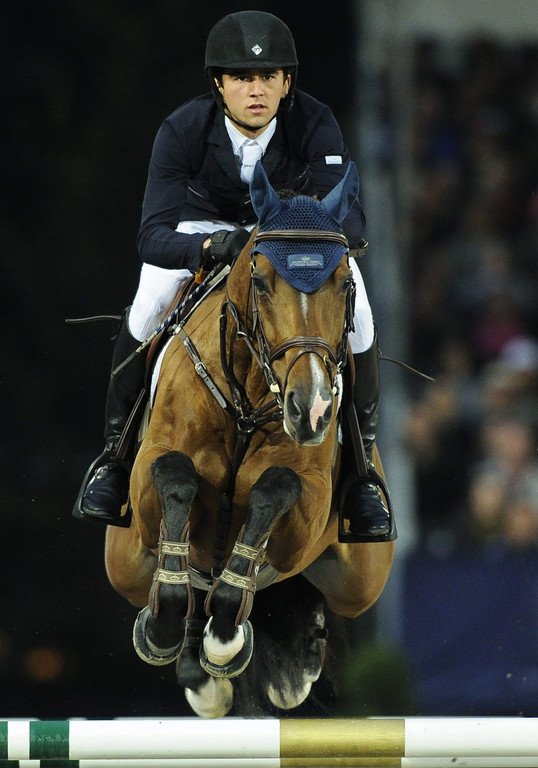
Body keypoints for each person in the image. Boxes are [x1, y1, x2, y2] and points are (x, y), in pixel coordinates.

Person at [74, 10, 392, 540]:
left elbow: (351, 221)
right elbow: (152, 236)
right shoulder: (183, 129)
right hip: (205, 229)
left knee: (360, 318)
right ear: (219, 85)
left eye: (268, 76)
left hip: (289, 236)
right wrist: (208, 246)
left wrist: (294, 229)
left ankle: (362, 478)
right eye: (241, 77)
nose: (256, 90)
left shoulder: (315, 123)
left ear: (286, 83)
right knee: (147, 306)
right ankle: (114, 456)